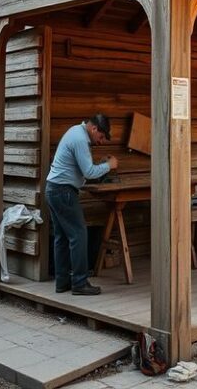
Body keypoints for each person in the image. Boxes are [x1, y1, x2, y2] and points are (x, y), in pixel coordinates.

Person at [46, 114, 118, 295]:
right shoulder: (80, 139)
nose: (100, 141)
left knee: (61, 238)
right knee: (79, 235)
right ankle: (79, 283)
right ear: (94, 129)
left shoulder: (75, 132)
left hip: (54, 190)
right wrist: (109, 165)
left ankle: (62, 282)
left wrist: (100, 166)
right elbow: (88, 171)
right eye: (101, 137)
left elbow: (83, 170)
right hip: (63, 191)